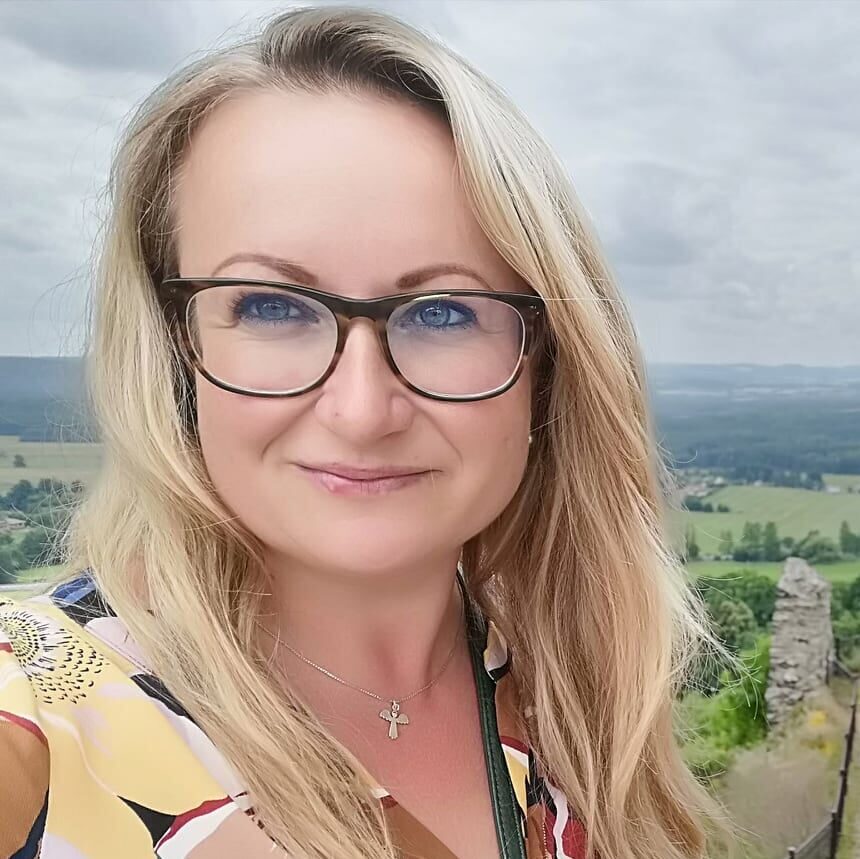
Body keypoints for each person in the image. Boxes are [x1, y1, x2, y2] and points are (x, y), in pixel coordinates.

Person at [0, 6, 736, 859]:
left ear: (546, 366)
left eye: (445, 311)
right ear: (175, 350)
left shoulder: (577, 698)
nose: (361, 409)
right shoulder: (40, 709)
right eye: (269, 306)